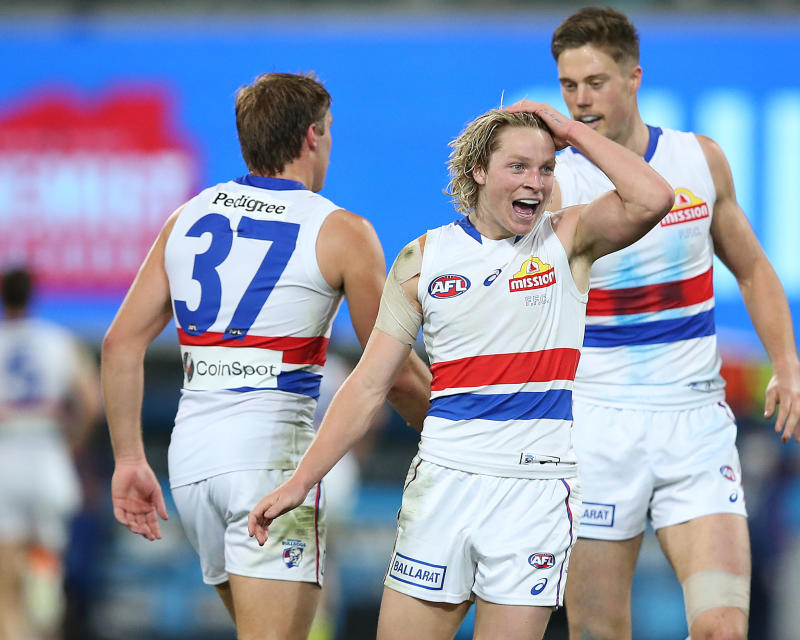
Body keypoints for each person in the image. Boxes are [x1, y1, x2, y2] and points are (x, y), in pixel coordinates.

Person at [248, 100, 674, 640]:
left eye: (546, 168)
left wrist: (569, 131)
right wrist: (301, 482)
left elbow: (654, 197)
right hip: (444, 483)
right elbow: (370, 384)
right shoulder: (423, 259)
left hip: (535, 490)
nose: (536, 182)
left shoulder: (568, 239)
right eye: (518, 167)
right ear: (478, 171)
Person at [101, 72, 432, 640]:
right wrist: (454, 432)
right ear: (311, 135)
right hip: (271, 457)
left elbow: (120, 343)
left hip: (193, 462)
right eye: (329, 131)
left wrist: (130, 458)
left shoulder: (187, 216)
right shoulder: (342, 231)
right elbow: (395, 370)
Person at [546, 8, 800, 640]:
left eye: (596, 82)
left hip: (694, 424)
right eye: (568, 85)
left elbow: (751, 269)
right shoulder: (554, 184)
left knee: (723, 627)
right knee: (598, 631)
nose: (580, 100)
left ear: (634, 77)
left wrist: (788, 366)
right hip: (595, 428)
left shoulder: (699, 160)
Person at [0, 267, 101, 640]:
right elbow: (91, 402)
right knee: (44, 563)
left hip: (5, 454)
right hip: (47, 452)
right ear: (33, 294)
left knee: (6, 578)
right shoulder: (58, 340)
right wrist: (72, 443)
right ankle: (45, 630)